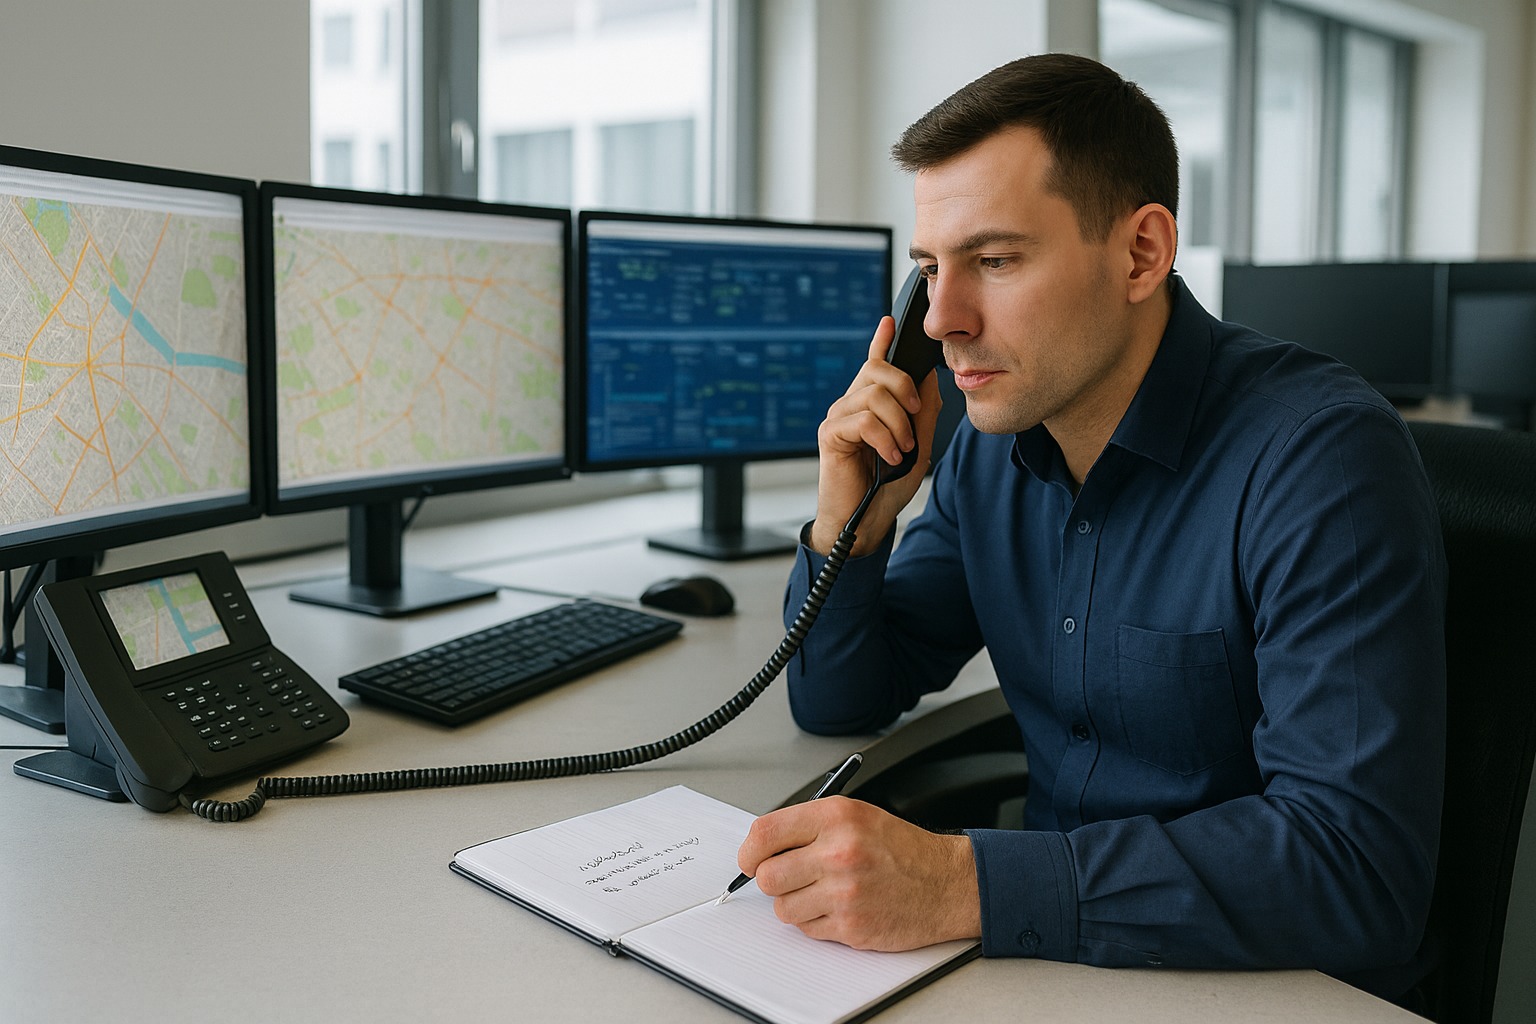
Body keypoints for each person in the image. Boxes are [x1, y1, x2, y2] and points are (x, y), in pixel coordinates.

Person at [734, 52, 1447, 1004]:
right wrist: (850, 518)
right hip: (1053, 962)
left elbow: (1353, 868)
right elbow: (841, 699)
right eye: (927, 272)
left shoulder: (1321, 460)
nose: (942, 320)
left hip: (1268, 985)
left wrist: (961, 883)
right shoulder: (991, 444)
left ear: (1141, 254)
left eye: (994, 260)